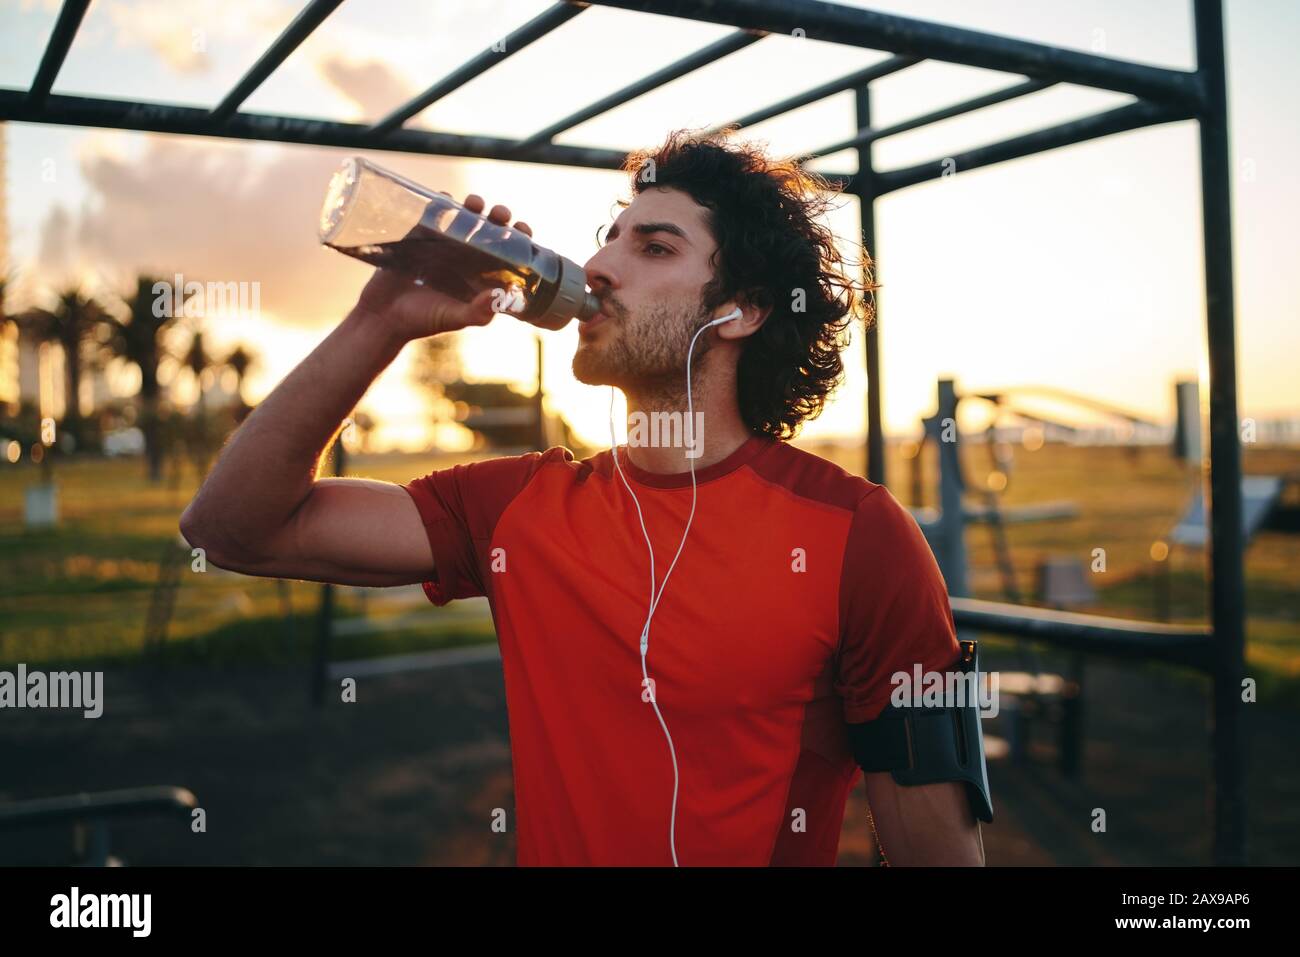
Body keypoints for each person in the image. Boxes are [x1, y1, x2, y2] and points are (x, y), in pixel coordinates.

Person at [180, 128, 987, 867]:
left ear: (741, 311)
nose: (598, 267)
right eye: (608, 240)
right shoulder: (516, 508)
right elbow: (234, 529)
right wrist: (379, 322)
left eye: (655, 246)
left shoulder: (858, 536)